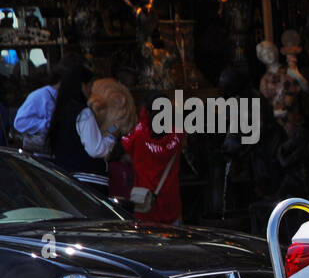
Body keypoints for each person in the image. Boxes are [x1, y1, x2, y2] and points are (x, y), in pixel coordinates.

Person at [48, 60, 119, 192]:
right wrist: (110, 137)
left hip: (66, 178)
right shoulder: (83, 114)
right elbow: (96, 150)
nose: (91, 91)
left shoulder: (60, 112)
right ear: (82, 86)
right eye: (89, 86)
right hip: (88, 183)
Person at [121, 94, 184, 225]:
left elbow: (120, 146)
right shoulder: (178, 134)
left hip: (144, 205)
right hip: (170, 206)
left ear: (147, 112)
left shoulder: (137, 136)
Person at [12, 55, 77, 153]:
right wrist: (47, 124)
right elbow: (20, 122)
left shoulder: (66, 97)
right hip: (44, 154)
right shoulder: (40, 96)